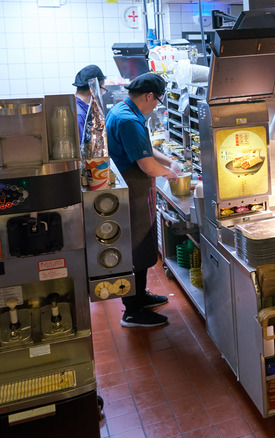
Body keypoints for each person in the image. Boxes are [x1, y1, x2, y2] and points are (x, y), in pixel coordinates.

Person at [107, 73, 181, 327]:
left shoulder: (122, 109)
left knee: (140, 248)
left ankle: (139, 296)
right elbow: (147, 165)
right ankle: (132, 311)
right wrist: (171, 174)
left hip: (134, 189)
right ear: (149, 95)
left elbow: (145, 148)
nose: (156, 106)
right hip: (133, 191)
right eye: (158, 101)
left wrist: (169, 161)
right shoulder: (128, 120)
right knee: (137, 249)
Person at [73, 65, 106, 143]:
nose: (102, 94)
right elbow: (81, 148)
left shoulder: (80, 108)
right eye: (103, 89)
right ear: (95, 88)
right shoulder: (79, 115)